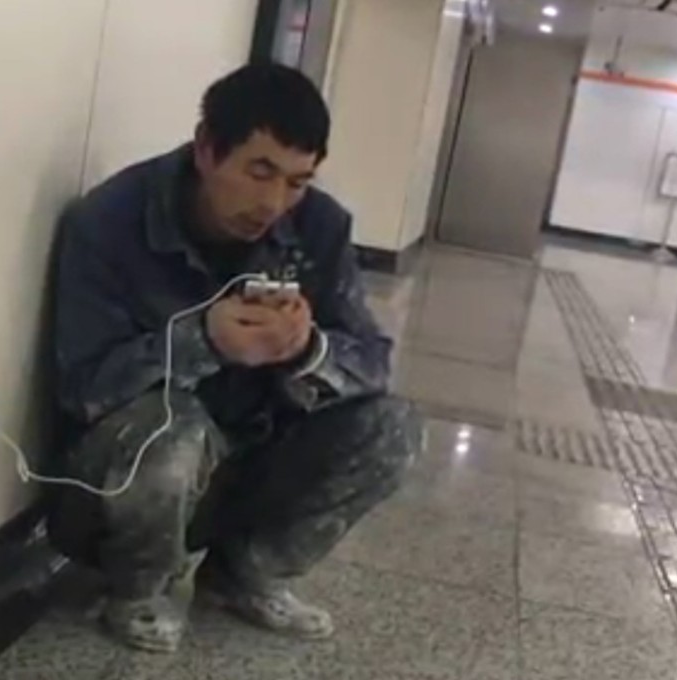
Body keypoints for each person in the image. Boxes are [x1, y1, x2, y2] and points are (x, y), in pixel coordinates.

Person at [46, 63, 422, 653]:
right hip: (117, 488)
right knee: (172, 426)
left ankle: (246, 571)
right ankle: (136, 588)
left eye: (296, 182)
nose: (273, 202)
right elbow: (83, 384)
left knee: (392, 426)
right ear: (206, 150)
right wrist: (204, 339)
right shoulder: (111, 220)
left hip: (250, 454)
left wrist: (308, 350)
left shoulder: (319, 228)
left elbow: (373, 363)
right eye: (258, 171)